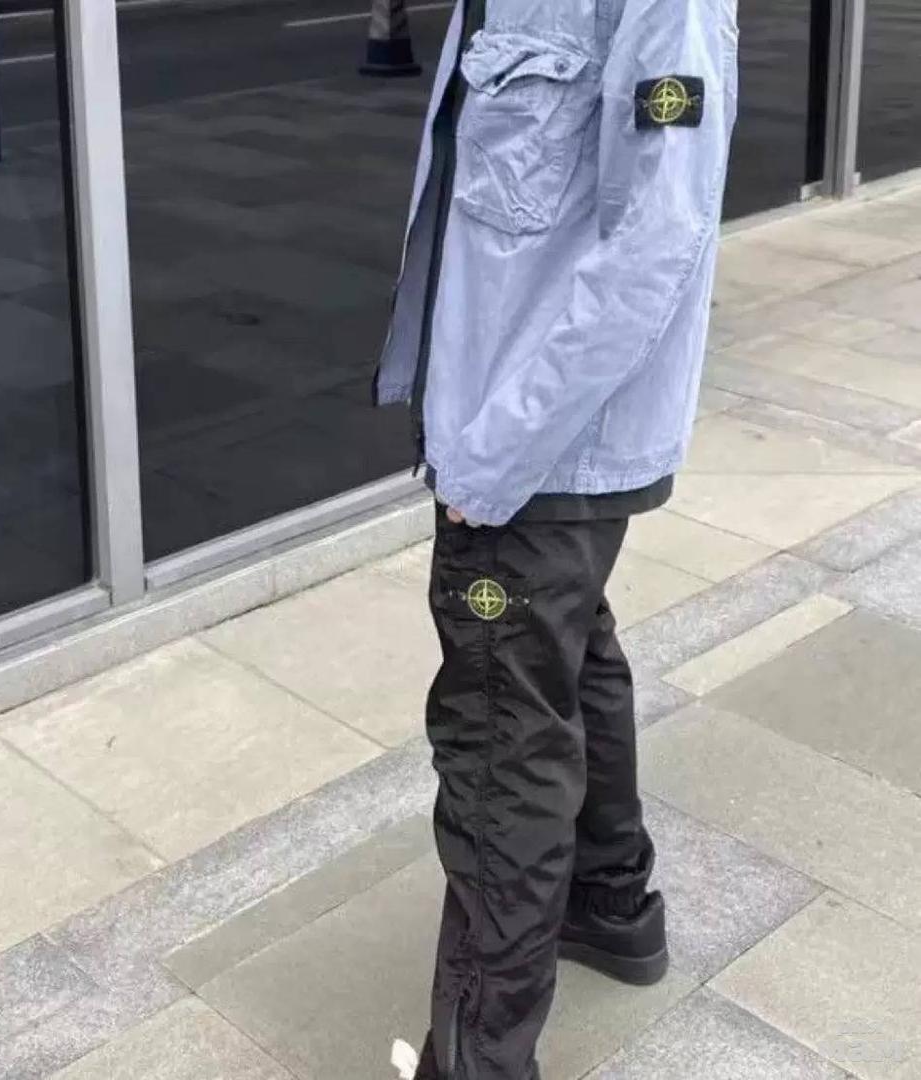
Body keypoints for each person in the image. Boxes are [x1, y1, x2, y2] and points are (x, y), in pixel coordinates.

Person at [377, 0, 738, 1076]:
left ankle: (480, 1061)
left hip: (535, 448)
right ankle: (607, 901)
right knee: (570, 661)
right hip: (520, 431)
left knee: (498, 741)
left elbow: (659, 235)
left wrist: (495, 455)